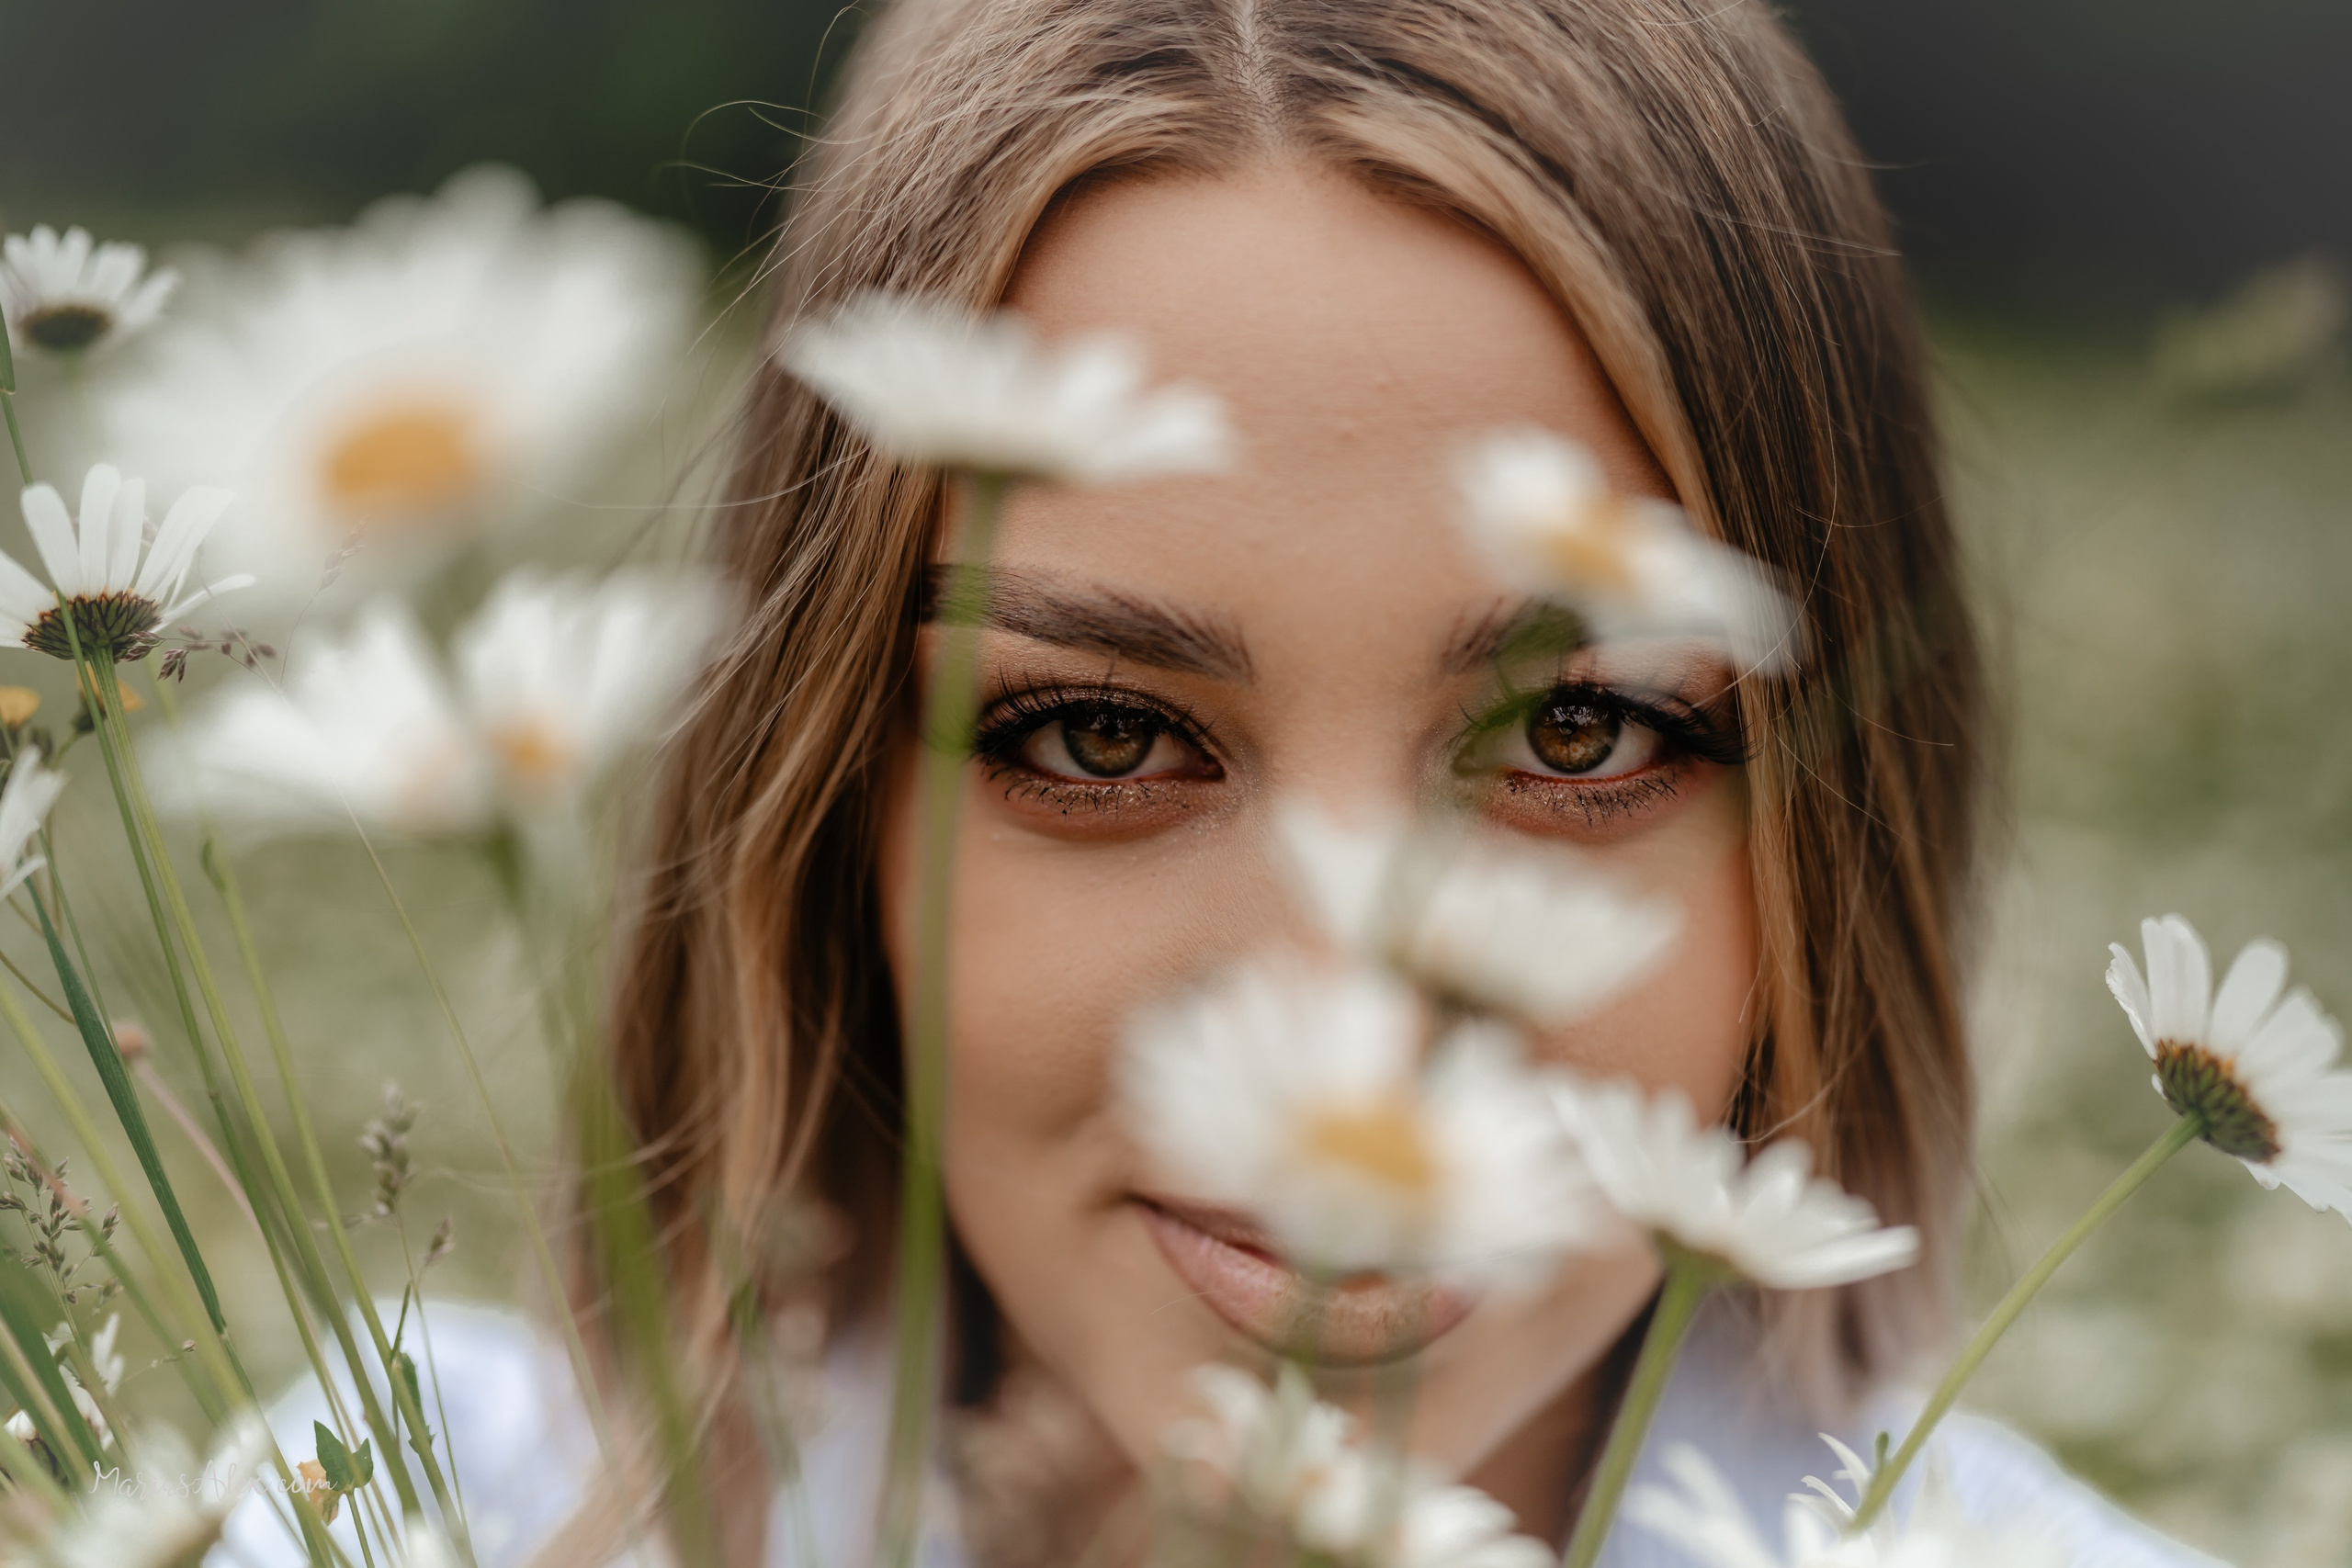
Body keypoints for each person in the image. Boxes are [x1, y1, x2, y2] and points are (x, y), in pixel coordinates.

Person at [218, 1, 2221, 1563]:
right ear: (818, 811)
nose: (1348, 1037)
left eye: (1581, 734)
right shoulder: (390, 1516)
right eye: (1099, 735)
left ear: (1837, 846)